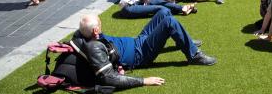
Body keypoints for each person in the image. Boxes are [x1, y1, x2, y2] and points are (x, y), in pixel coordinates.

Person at [71, 11, 216, 90]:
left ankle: (186, 41)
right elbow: (110, 78)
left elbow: (80, 32)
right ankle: (194, 55)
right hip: (141, 54)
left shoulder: (88, 34)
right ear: (96, 29)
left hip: (139, 41)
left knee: (164, 12)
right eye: (100, 23)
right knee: (170, 22)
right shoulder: (94, 47)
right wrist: (144, 81)